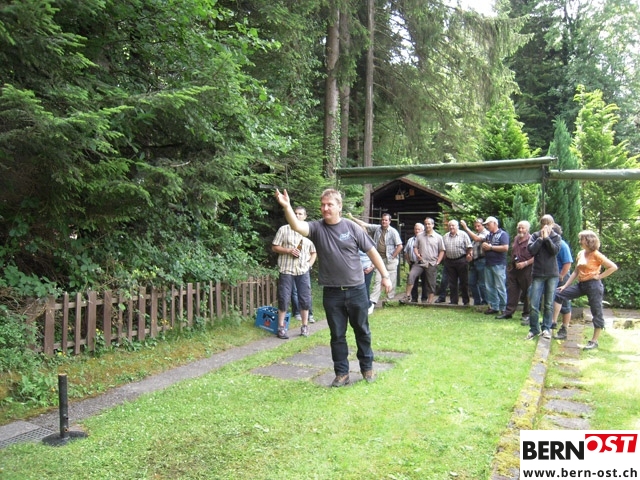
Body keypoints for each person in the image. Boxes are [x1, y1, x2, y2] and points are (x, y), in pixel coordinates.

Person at [275, 188, 392, 387]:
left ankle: (367, 368)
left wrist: (385, 276)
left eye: (330, 204)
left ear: (339, 206)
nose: (325, 208)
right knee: (337, 335)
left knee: (362, 331)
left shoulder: (352, 227)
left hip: (356, 290)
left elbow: (372, 251)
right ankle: (342, 373)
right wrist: (287, 206)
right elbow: (296, 225)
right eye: (323, 205)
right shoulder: (317, 228)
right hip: (332, 292)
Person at [553, 230, 617, 350]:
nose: (580, 241)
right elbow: (576, 272)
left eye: (581, 239)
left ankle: (594, 341)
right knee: (558, 294)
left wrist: (599, 276)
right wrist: (565, 286)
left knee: (596, 312)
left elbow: (613, 267)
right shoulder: (581, 253)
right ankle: (558, 326)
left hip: (594, 286)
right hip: (581, 285)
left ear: (588, 240)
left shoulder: (596, 254)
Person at [272, 206, 317, 339]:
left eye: (300, 214)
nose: (297, 216)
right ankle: (281, 328)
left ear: (305, 216)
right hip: (286, 269)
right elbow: (274, 247)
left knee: (305, 298)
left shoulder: (308, 231)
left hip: (302, 270)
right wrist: (288, 251)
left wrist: (309, 265)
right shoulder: (284, 229)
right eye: (295, 213)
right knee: (284, 298)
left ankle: (304, 326)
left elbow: (313, 252)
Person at [349, 213, 403, 307]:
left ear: (389, 221)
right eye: (382, 220)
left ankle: (389, 300)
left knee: (391, 280)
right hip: (379, 259)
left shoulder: (393, 232)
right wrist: (352, 217)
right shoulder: (377, 228)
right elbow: (364, 224)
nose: (384, 221)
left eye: (386, 220)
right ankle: (373, 301)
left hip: (390, 260)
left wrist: (393, 256)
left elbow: (400, 246)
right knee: (378, 280)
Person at [525, 214, 561, 340]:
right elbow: (531, 250)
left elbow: (554, 251)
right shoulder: (535, 236)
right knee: (534, 303)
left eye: (548, 224)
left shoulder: (556, 237)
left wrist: (547, 238)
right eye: (543, 224)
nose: (545, 226)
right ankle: (534, 329)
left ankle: (546, 328)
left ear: (552, 225)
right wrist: (540, 239)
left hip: (552, 274)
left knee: (549, 304)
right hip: (538, 273)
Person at [401, 217, 445, 304]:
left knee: (431, 283)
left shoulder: (438, 237)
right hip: (420, 262)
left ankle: (429, 302)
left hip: (432, 263)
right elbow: (415, 247)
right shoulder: (419, 236)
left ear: (433, 225)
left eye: (429, 224)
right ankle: (407, 296)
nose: (427, 225)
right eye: (426, 224)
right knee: (411, 275)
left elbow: (442, 250)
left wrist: (438, 262)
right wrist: (417, 254)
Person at [497, 220, 533, 321]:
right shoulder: (516, 238)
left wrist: (525, 263)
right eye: (519, 228)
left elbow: (536, 257)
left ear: (527, 229)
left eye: (523, 228)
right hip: (514, 268)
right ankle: (508, 312)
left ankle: (526, 314)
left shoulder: (532, 240)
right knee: (512, 290)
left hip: (527, 269)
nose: (520, 230)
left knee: (527, 292)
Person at [481, 216, 509, 315]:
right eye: (486, 225)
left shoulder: (503, 234)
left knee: (500, 286)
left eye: (488, 224)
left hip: (499, 264)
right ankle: (494, 306)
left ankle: (504, 308)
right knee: (489, 286)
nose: (487, 226)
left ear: (495, 223)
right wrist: (484, 247)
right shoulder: (488, 235)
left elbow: (505, 248)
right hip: (488, 263)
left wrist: (491, 247)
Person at [441, 220, 473, 305]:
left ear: (457, 226)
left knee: (464, 282)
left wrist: (468, 256)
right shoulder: (445, 236)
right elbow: (443, 249)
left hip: (461, 260)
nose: (451, 227)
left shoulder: (463, 234)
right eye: (450, 226)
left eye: (453, 225)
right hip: (449, 261)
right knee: (452, 282)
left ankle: (466, 301)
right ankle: (454, 301)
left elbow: (469, 247)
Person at [552, 224, 574, 339]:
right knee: (553, 301)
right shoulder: (552, 244)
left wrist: (561, 276)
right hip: (553, 277)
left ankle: (564, 328)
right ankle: (552, 323)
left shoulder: (562, 245)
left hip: (562, 277)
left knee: (565, 303)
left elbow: (568, 263)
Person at [460, 218, 489, 306]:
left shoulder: (486, 233)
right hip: (474, 261)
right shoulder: (476, 234)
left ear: (483, 225)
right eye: (475, 226)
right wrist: (470, 254)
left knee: (482, 283)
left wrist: (466, 228)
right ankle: (477, 302)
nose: (476, 228)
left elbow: (476, 239)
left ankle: (485, 302)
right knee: (471, 282)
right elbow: (473, 247)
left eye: (478, 226)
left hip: (482, 260)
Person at [403, 223, 428, 303]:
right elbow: (406, 251)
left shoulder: (425, 239)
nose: (417, 231)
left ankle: (424, 299)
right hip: (413, 263)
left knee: (425, 281)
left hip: (424, 263)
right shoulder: (410, 240)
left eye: (419, 229)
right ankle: (414, 298)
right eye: (415, 229)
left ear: (422, 230)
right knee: (412, 280)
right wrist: (408, 261)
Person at [359, 249, 376, 314]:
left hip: (367, 268)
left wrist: (372, 267)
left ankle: (368, 305)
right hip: (357, 270)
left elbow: (375, 255)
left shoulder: (369, 245)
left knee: (365, 287)